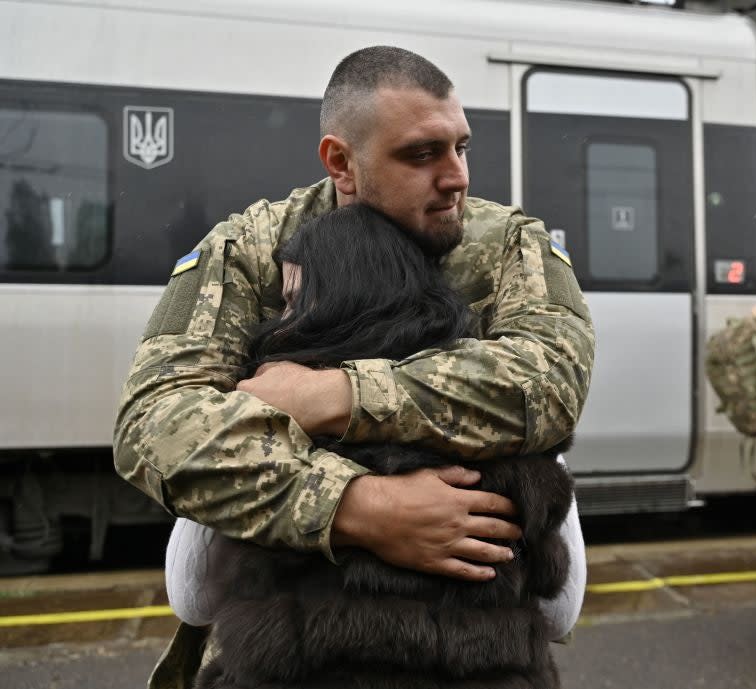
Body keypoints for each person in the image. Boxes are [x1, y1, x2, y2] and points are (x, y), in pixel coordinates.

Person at [113, 46, 595, 688]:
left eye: (462, 147)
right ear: (341, 162)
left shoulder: (506, 244)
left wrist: (338, 394)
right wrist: (358, 508)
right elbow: (156, 427)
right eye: (422, 155)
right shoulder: (253, 248)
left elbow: (551, 384)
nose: (457, 178)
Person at [177, 204, 575, 688]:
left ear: (339, 305)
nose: (280, 323)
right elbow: (561, 613)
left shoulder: (267, 424)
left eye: (292, 301)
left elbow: (189, 595)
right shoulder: (510, 424)